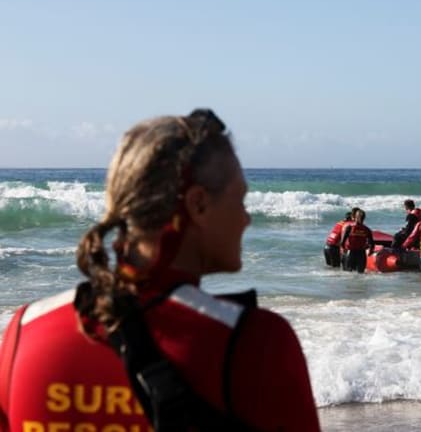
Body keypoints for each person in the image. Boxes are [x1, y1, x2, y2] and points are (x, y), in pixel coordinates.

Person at [0, 109, 320, 432]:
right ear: (198, 204)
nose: (246, 218)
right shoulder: (256, 345)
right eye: (240, 199)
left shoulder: (25, 332)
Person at [340, 208, 374, 273]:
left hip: (354, 253)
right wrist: (370, 250)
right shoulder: (366, 229)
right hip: (358, 254)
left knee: (349, 274)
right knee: (359, 274)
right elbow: (371, 244)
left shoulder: (350, 227)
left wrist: (343, 250)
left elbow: (342, 242)